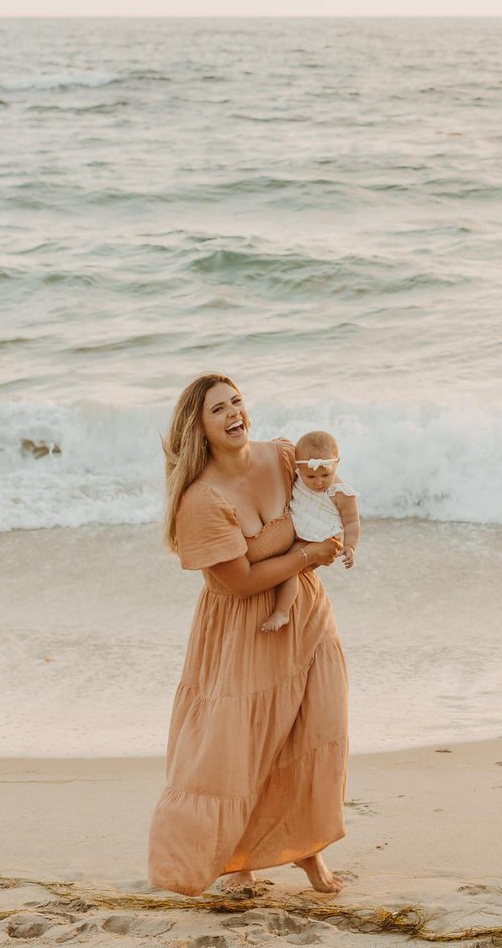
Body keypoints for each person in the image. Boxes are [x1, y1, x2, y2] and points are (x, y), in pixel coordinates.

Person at [148, 374, 349, 896]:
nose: (234, 413)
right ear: (200, 427)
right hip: (244, 629)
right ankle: (237, 860)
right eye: (218, 409)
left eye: (236, 401)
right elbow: (236, 584)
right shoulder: (201, 499)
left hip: (305, 613)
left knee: (314, 728)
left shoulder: (284, 457)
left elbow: (326, 503)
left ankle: (307, 851)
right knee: (238, 747)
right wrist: (307, 556)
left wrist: (343, 534)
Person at [261, 430, 360, 633]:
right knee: (281, 563)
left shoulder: (342, 494)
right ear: (299, 468)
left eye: (325, 474)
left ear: (337, 464)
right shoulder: (297, 477)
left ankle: (282, 611)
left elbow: (351, 522)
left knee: (290, 568)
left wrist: (350, 546)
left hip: (320, 536)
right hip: (300, 529)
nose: (318, 482)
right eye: (311, 476)